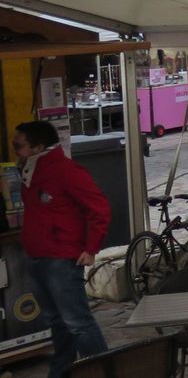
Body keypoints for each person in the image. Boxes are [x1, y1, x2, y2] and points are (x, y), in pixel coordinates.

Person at [14, 121, 110, 378]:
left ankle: (104, 370)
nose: (15, 151)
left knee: (77, 323)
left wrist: (91, 248)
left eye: (19, 145)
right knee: (57, 322)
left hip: (61, 258)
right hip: (38, 255)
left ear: (38, 146)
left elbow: (99, 208)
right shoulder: (30, 171)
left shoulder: (66, 171)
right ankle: (62, 371)